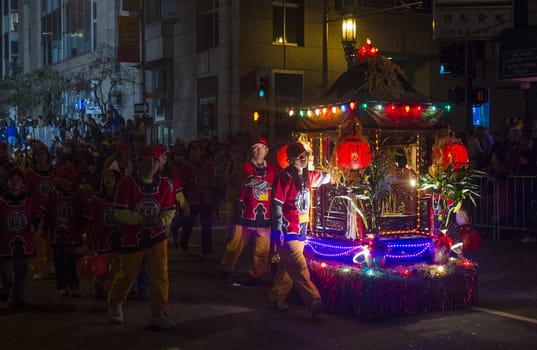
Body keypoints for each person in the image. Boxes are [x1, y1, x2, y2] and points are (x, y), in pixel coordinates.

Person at [106, 145, 176, 330]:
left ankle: (159, 312)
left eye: (154, 161)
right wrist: (142, 219)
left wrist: (162, 221)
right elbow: (120, 212)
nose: (150, 165)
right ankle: (115, 302)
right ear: (138, 163)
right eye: (146, 161)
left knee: (160, 276)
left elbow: (170, 209)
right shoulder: (127, 183)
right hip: (131, 238)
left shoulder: (164, 185)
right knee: (127, 275)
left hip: (156, 236)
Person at [268, 141, 330, 318]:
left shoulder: (308, 176)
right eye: (298, 157)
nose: (303, 160)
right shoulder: (284, 177)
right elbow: (277, 204)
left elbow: (327, 176)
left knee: (288, 266)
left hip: (301, 229)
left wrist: (339, 169)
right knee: (299, 265)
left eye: (305, 156)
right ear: (290, 160)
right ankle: (314, 300)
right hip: (288, 230)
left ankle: (276, 297)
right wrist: (278, 228)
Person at [220, 137, 280, 285]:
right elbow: (250, 180)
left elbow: (281, 183)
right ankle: (226, 269)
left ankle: (258, 274)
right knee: (236, 243)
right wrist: (270, 186)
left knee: (263, 247)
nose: (258, 151)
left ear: (267, 151)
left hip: (264, 214)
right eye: (255, 148)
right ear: (251, 150)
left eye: (261, 148)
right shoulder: (245, 166)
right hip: (245, 212)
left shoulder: (273, 168)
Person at [42, 163, 90, 297]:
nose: (66, 184)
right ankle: (62, 285)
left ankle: (73, 285)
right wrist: (44, 230)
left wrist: (83, 232)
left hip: (72, 232)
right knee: (59, 259)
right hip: (57, 232)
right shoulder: (53, 193)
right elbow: (48, 213)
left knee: (70, 260)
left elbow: (84, 213)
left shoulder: (79, 193)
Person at [0, 167, 41, 307]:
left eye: (18, 180)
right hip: (5, 242)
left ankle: (18, 297)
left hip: (24, 240)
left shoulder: (28, 200)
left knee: (21, 270)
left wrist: (34, 225)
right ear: (7, 183)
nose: (15, 182)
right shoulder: (1, 201)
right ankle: (6, 287)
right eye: (12, 180)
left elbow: (36, 215)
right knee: (5, 271)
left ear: (22, 184)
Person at [83, 169, 122, 298]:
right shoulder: (96, 199)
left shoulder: (122, 198)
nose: (108, 179)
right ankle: (99, 284)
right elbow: (90, 221)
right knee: (102, 266)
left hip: (119, 238)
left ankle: (112, 289)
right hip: (102, 238)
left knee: (117, 266)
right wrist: (89, 239)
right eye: (106, 176)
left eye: (111, 177)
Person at [178, 141, 216, 259]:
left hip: (206, 200)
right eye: (194, 150)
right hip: (192, 200)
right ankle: (183, 246)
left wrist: (214, 201)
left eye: (199, 150)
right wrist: (184, 202)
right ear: (189, 152)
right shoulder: (186, 165)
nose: (197, 152)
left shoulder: (208, 164)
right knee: (188, 225)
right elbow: (182, 185)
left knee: (206, 226)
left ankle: (206, 251)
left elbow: (212, 183)